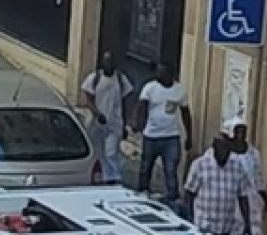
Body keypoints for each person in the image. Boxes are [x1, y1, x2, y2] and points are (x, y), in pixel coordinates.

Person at [135, 63, 193, 202]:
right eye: (158, 72)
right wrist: (138, 124)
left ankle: (172, 195)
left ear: (171, 74)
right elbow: (141, 106)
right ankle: (143, 190)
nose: (159, 75)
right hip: (151, 135)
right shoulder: (150, 88)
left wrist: (189, 135)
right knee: (146, 166)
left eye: (162, 72)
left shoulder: (179, 90)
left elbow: (186, 113)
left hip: (171, 136)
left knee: (171, 168)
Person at [78, 52, 133, 185]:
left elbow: (125, 102)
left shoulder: (121, 79)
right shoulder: (94, 78)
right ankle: (101, 174)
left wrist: (125, 123)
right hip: (97, 122)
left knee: (111, 151)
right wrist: (97, 114)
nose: (109, 64)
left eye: (111, 61)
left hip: (115, 122)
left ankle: (114, 177)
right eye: (106, 61)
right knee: (97, 150)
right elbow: (88, 100)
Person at [184, 135, 253, 235]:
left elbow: (243, 197)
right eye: (221, 147)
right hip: (203, 227)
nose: (224, 152)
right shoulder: (199, 165)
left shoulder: (237, 167)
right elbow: (189, 194)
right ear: (214, 147)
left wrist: (247, 223)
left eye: (227, 148)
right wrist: (189, 219)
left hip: (226, 228)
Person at [222, 117, 267, 235]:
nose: (241, 135)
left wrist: (265, 197)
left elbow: (258, 177)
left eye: (243, 131)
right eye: (237, 131)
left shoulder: (254, 153)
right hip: (232, 198)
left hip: (252, 197)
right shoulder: (224, 154)